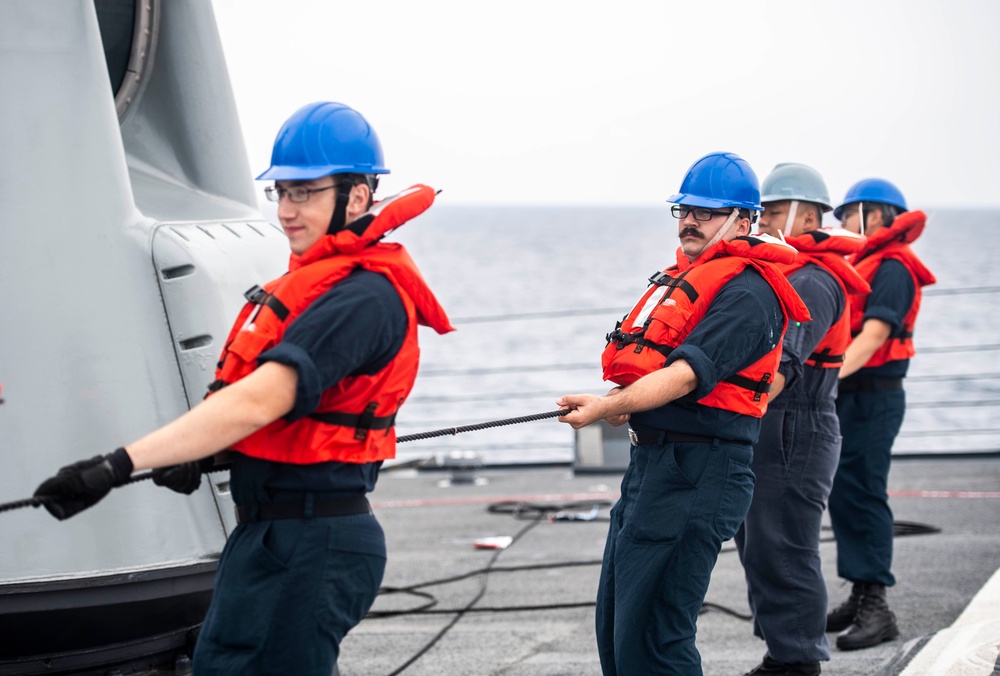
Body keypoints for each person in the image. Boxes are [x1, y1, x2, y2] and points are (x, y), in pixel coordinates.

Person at [32, 101, 454, 675]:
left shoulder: (363, 298)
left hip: (312, 539)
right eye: (280, 192)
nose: (285, 210)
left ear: (357, 197)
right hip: (275, 533)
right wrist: (211, 454)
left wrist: (116, 465)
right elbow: (282, 422)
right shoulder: (323, 286)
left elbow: (260, 398)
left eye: (304, 192)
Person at [557, 151, 811, 675]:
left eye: (707, 212)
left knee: (657, 637)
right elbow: (664, 377)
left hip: (701, 471)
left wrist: (610, 404)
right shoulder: (698, 280)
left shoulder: (749, 291)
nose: (690, 221)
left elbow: (685, 376)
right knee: (619, 626)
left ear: (745, 222)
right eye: (684, 210)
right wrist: (628, 406)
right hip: (655, 468)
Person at [734, 164, 870, 675]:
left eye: (771, 211)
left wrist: (732, 407)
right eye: (760, 213)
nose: (761, 222)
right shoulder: (786, 272)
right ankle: (782, 653)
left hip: (798, 420)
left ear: (807, 214)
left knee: (784, 543)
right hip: (774, 420)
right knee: (758, 541)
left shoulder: (814, 279)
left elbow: (787, 364)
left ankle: (797, 661)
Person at [825, 179, 935, 651]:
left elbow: (872, 336)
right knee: (844, 492)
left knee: (864, 491)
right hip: (854, 395)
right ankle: (860, 589)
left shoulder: (891, 267)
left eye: (847, 213)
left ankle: (878, 606)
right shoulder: (868, 262)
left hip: (873, 395)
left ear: (874, 214)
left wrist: (823, 381)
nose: (841, 224)